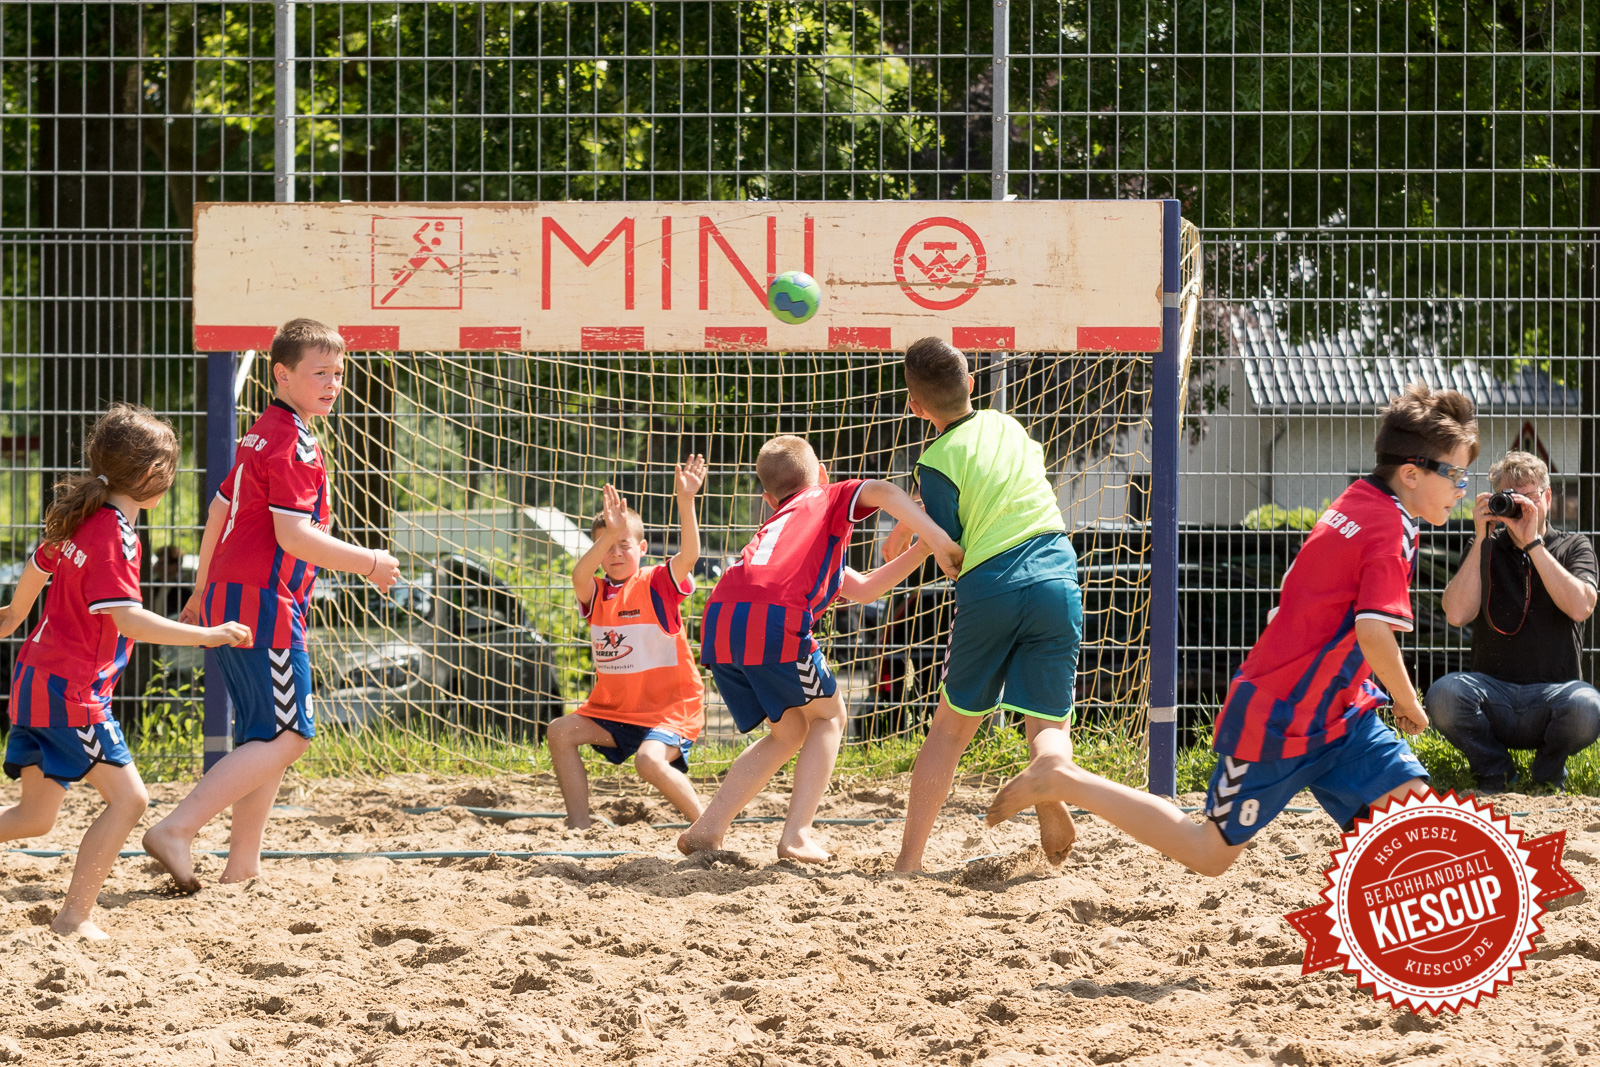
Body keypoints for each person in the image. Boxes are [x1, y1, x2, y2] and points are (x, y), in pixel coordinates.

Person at [987, 383, 1478, 877]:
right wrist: (1409, 701)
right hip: (1278, 716)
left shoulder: (1362, 497)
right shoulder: (1389, 528)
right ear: (1411, 474)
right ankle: (1063, 779)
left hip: (1341, 712)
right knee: (1208, 853)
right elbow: (1373, 632)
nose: (1463, 488)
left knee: (1422, 828)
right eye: (1456, 474)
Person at [143, 319, 401, 892]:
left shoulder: (262, 430)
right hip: (264, 603)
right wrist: (370, 562)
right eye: (320, 373)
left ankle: (243, 866)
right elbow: (293, 536)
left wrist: (200, 590)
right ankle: (176, 829)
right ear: (282, 374)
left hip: (232, 595)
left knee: (264, 736)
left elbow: (218, 510)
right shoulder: (291, 442)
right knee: (292, 735)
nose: (333, 383)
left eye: (338, 373)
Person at [0, 404, 251, 937]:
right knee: (130, 800)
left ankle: (74, 917)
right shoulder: (114, 534)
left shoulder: (80, 516)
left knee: (35, 819)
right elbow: (130, 621)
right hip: (71, 691)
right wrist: (207, 635)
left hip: (33, 681)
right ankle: (73, 919)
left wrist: (18, 613)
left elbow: (40, 562)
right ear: (154, 479)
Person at [677, 435, 962, 862]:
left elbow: (865, 589)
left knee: (790, 731)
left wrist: (920, 549)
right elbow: (883, 492)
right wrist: (939, 539)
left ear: (769, 499)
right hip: (772, 619)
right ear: (823, 476)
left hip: (720, 621)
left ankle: (710, 826)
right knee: (830, 715)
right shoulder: (827, 498)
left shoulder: (788, 531)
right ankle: (796, 835)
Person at [890, 338, 1084, 874]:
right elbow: (998, 486)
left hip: (993, 583)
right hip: (1056, 574)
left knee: (950, 731)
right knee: (1048, 720)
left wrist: (913, 543)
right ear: (972, 383)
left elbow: (951, 549)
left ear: (915, 405)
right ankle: (1049, 794)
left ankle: (909, 862)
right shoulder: (1008, 425)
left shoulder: (933, 461)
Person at [548, 460, 709, 829]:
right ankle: (580, 825)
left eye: (624, 544)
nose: (615, 553)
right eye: (607, 546)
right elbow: (579, 574)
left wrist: (685, 500)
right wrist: (609, 532)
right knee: (560, 731)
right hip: (616, 710)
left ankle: (708, 827)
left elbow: (689, 557)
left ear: (642, 546)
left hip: (670, 710)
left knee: (649, 762)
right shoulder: (596, 591)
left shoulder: (656, 583)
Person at [1430, 450, 1600, 792]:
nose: (1520, 507)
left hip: (1556, 696)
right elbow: (1456, 613)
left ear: (1547, 498)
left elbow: (1582, 606)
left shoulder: (1573, 546)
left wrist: (1534, 545)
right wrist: (1481, 538)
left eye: (1528, 498)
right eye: (1509, 499)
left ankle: (1548, 776)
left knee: (1588, 706)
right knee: (1444, 694)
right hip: (1492, 695)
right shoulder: (1485, 546)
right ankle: (1496, 773)